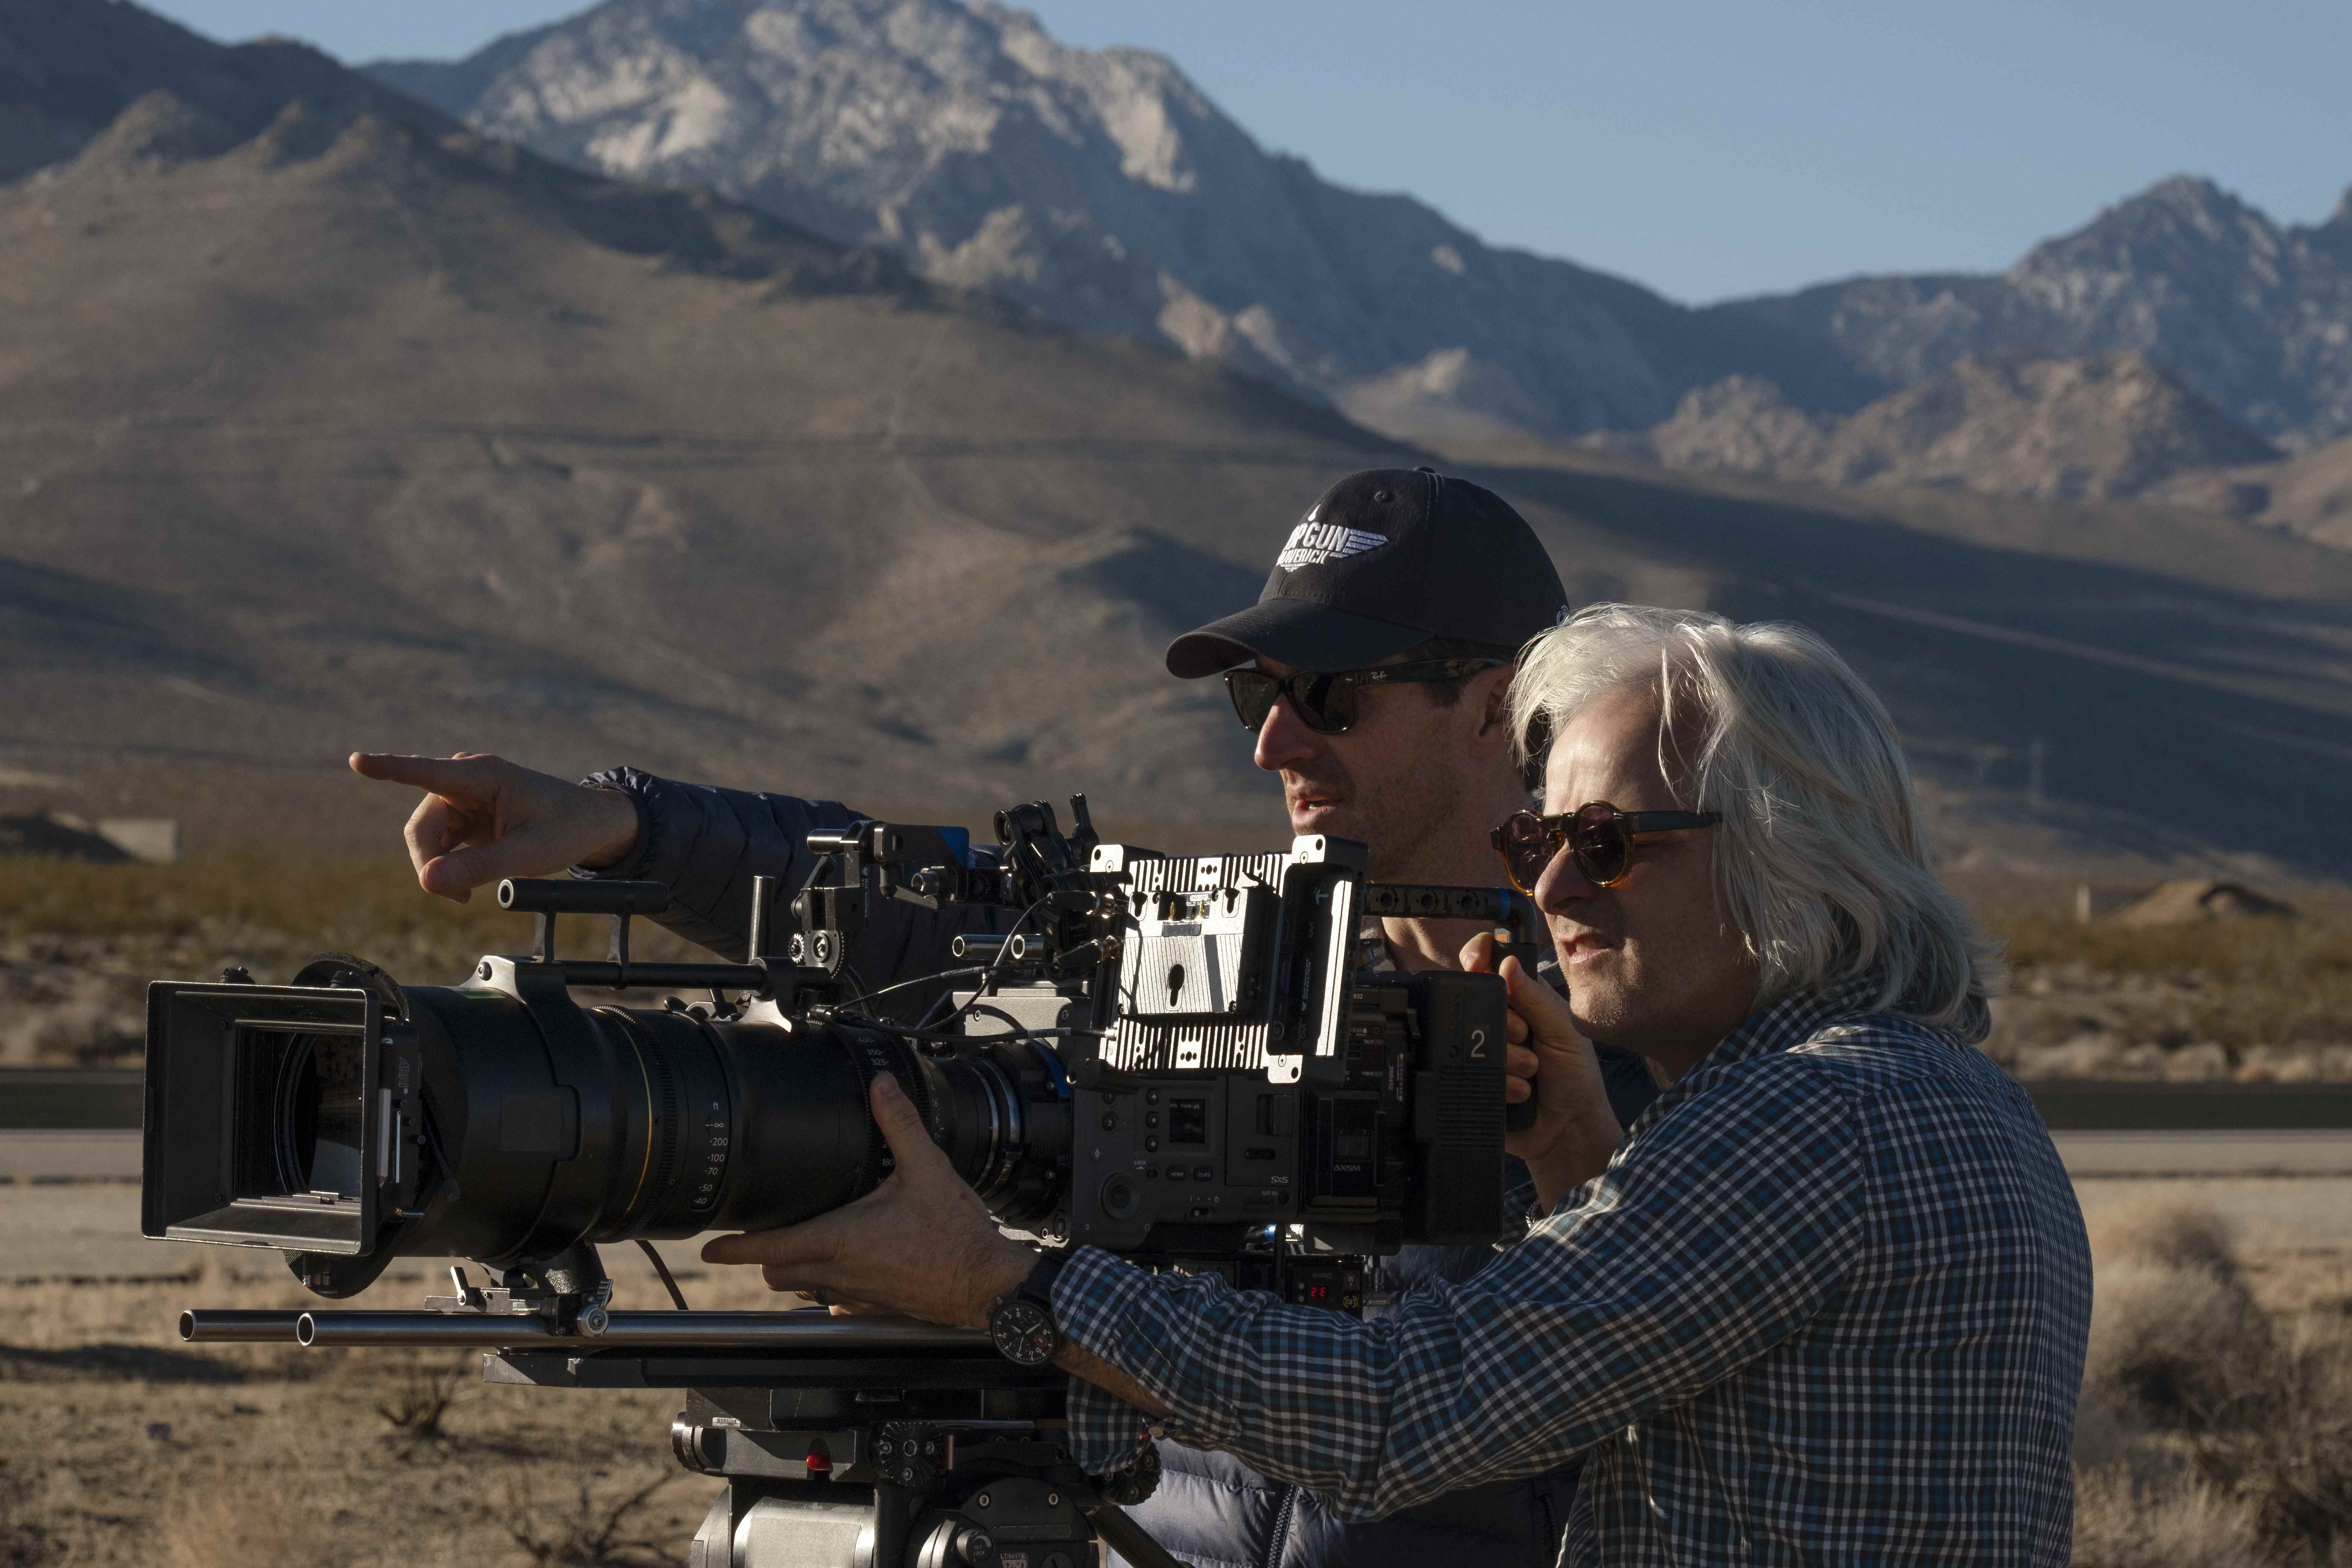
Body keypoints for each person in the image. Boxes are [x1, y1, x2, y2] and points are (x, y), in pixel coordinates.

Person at [354, 467, 1655, 1568]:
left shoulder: (1653, 1023)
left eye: (1329, 698)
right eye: (1256, 698)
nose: (1272, 748)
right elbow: (937, 918)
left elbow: (1445, 1410)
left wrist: (1011, 1288)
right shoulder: (1249, 949)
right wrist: (631, 822)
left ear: (1498, 708)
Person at [700, 603, 2096, 1565]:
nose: (1547, 883)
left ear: (1794, 853)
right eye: (1539, 833)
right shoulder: (1940, 1097)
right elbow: (1731, 1415)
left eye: (1605, 842)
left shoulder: (1809, 1117)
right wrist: (1584, 1166)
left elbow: (1403, 1417)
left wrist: (1005, 1285)